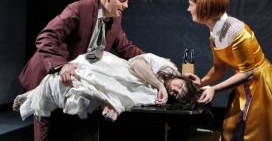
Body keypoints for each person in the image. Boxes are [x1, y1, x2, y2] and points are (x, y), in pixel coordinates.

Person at [18, 0, 144, 141]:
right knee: (47, 134)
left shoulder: (115, 19)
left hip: (75, 84)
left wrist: (156, 64)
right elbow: (47, 37)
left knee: (70, 130)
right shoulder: (79, 8)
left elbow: (126, 48)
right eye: (122, 0)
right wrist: (61, 66)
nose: (126, 5)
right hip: (48, 78)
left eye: (127, 1)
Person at [184, 0, 272, 141]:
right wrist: (202, 83)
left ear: (204, 7)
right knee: (233, 129)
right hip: (244, 84)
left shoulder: (236, 30)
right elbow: (219, 67)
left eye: (191, 5)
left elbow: (248, 73)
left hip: (261, 85)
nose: (188, 9)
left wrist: (214, 89)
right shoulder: (214, 31)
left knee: (257, 133)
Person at [14, 52, 197, 122]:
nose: (175, 89)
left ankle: (113, 102)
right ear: (179, 77)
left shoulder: (158, 96)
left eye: (177, 94)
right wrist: (159, 85)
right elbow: (137, 64)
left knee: (79, 92)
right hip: (121, 71)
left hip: (126, 89)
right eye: (179, 85)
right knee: (80, 77)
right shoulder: (166, 66)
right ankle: (34, 94)